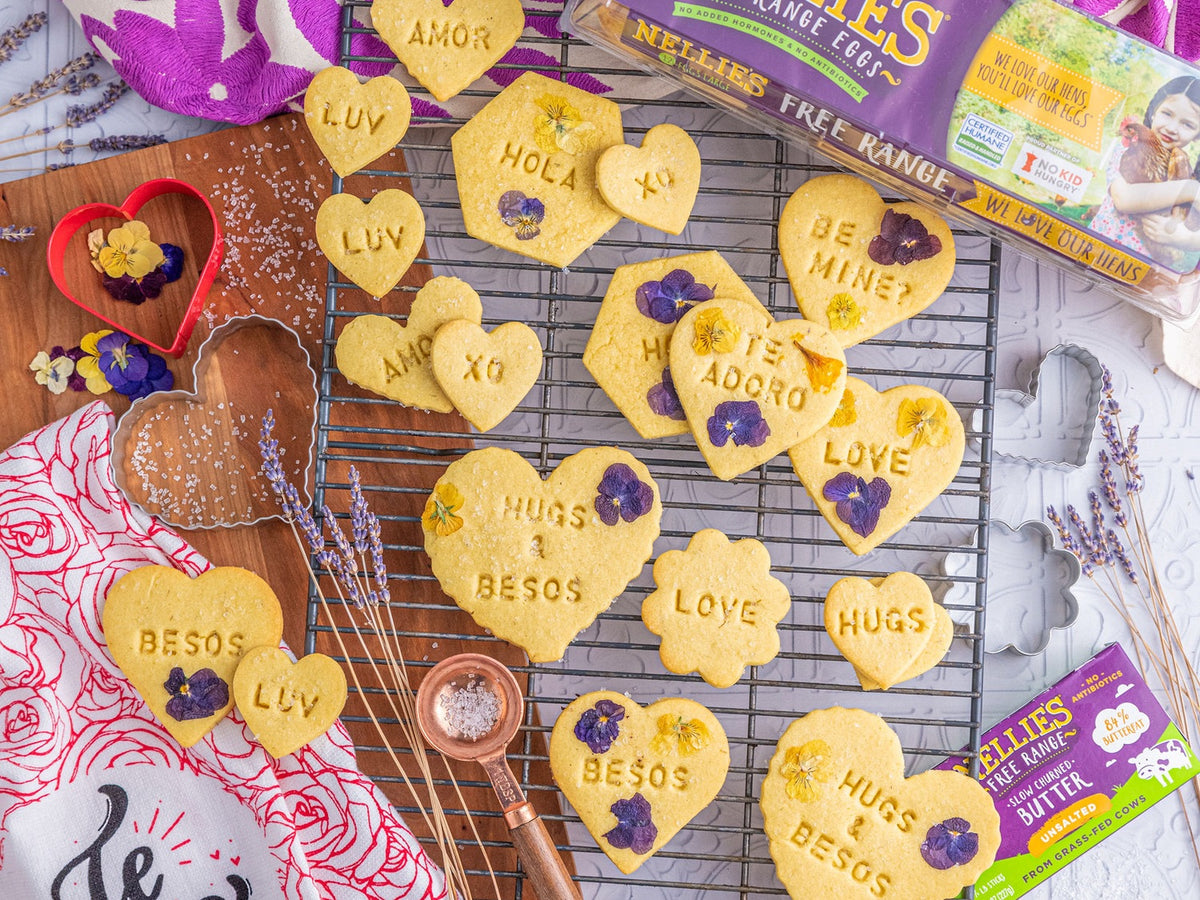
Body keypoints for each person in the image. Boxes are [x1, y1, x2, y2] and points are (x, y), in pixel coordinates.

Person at [1089, 75, 1200, 272]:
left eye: (1188, 125)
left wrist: (1186, 238)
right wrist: (1189, 190)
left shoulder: (1185, 169)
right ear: (1154, 112)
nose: (1172, 128)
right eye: (1167, 113)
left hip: (1146, 271)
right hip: (1099, 250)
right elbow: (1124, 199)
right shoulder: (1130, 148)